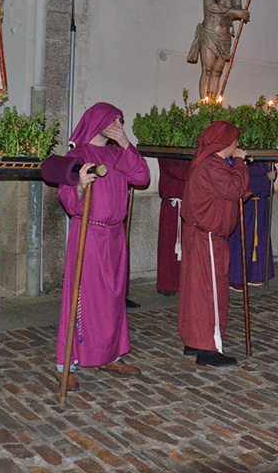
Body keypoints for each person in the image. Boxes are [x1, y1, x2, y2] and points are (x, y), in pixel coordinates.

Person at [54, 103, 149, 386]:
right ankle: (66, 365)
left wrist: (125, 142)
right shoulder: (77, 155)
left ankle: (109, 357)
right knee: (83, 298)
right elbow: (67, 199)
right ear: (100, 121)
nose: (118, 126)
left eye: (121, 122)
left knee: (112, 300)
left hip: (115, 236)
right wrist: (81, 186)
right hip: (90, 234)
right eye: (115, 121)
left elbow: (142, 178)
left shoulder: (118, 153)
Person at [177, 120, 251, 366]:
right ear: (225, 143)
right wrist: (239, 162)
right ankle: (208, 348)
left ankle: (194, 339)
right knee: (211, 292)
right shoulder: (212, 166)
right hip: (207, 236)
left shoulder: (211, 164)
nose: (238, 145)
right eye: (235, 141)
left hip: (201, 234)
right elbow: (233, 189)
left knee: (196, 291)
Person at [187, 0, 250, 100]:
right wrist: (234, 12)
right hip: (210, 32)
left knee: (218, 72)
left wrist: (239, 14)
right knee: (208, 69)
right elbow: (211, 6)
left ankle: (214, 106)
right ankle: (204, 105)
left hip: (224, 35)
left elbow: (238, 7)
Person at [228, 162, 277, 289]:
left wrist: (271, 175)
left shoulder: (263, 161)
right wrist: (266, 178)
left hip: (260, 205)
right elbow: (242, 182)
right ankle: (237, 277)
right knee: (243, 240)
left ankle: (256, 273)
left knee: (259, 240)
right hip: (247, 205)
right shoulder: (238, 161)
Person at [156, 158, 191, 295]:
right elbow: (179, 172)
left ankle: (184, 282)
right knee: (168, 245)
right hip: (172, 205)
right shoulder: (169, 155)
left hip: (187, 203)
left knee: (187, 245)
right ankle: (167, 283)